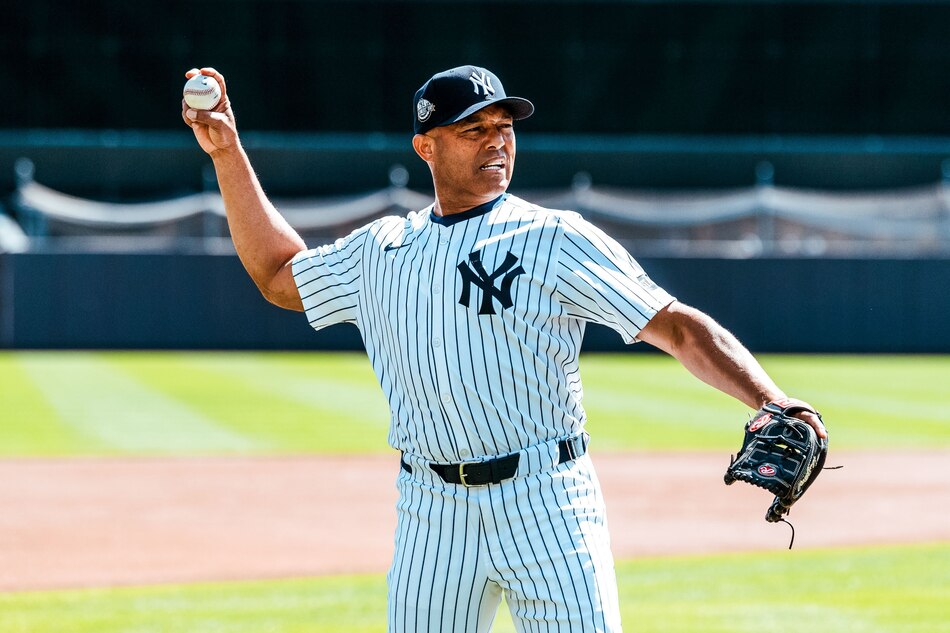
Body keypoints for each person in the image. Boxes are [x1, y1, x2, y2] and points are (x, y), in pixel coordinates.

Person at [182, 64, 826, 632]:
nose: (496, 140)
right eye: (473, 129)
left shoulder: (556, 239)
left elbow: (679, 327)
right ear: (425, 146)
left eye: (503, 126)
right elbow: (277, 275)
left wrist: (771, 399)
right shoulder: (381, 251)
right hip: (430, 511)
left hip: (547, 501)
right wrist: (227, 153)